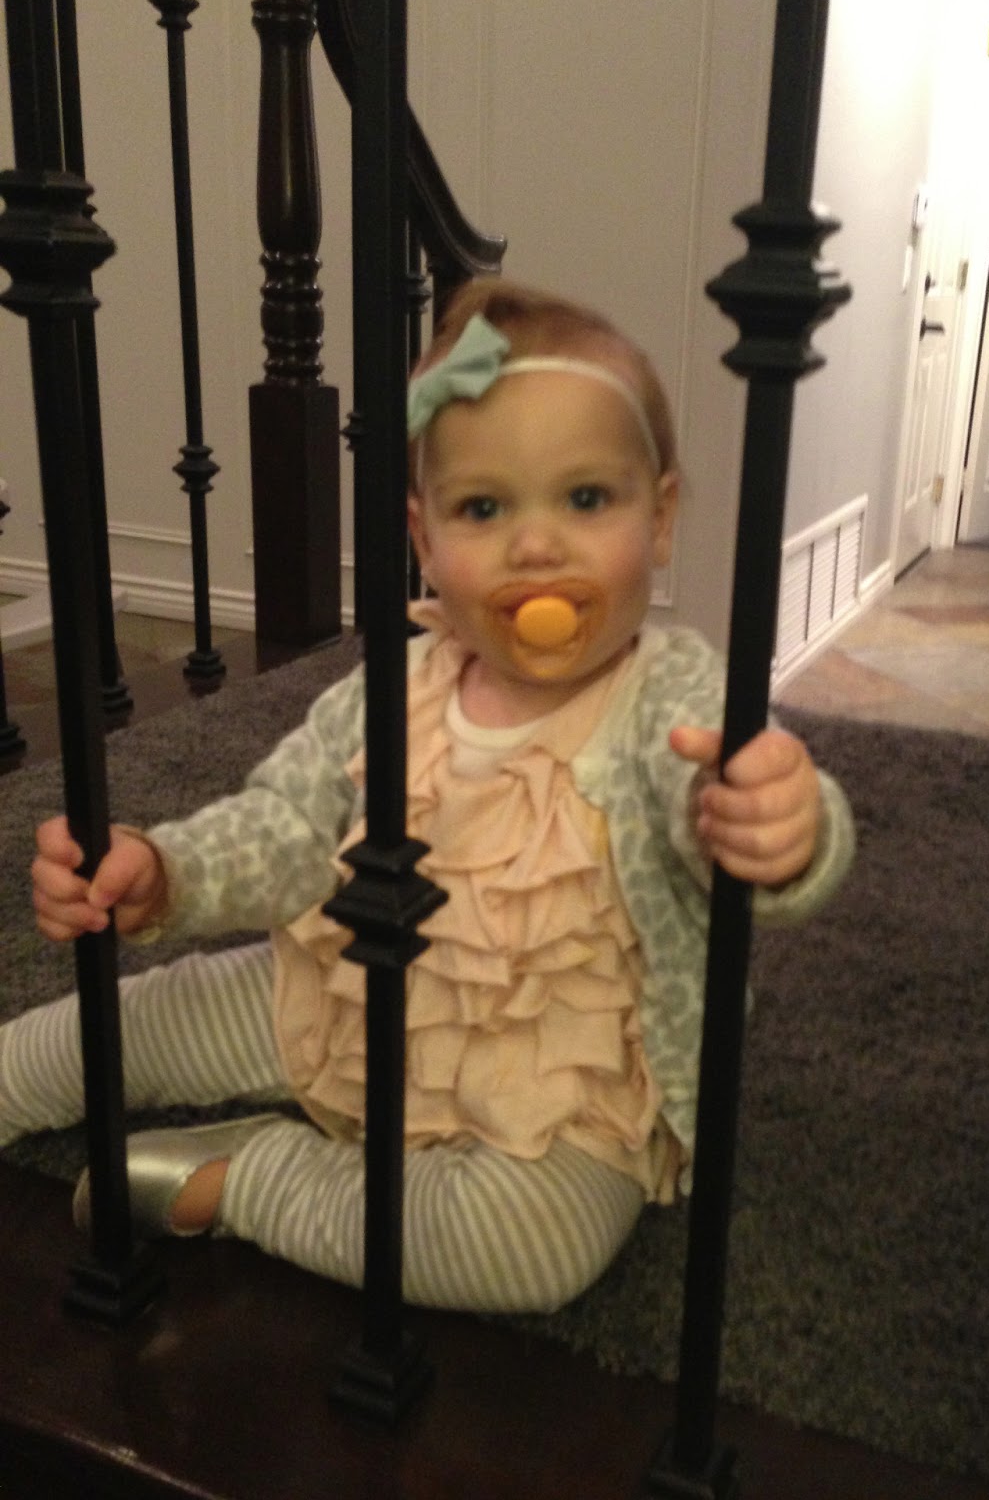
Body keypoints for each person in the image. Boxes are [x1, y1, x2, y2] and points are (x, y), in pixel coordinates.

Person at [7, 278, 854, 1314]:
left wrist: (777, 826)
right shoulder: (393, 690)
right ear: (425, 538)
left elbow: (717, 799)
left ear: (661, 517)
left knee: (531, 1251)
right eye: (484, 508)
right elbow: (283, 826)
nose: (536, 545)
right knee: (145, 1018)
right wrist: (165, 870)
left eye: (587, 499)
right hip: (347, 994)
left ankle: (252, 1176)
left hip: (559, 1077)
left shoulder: (670, 694)